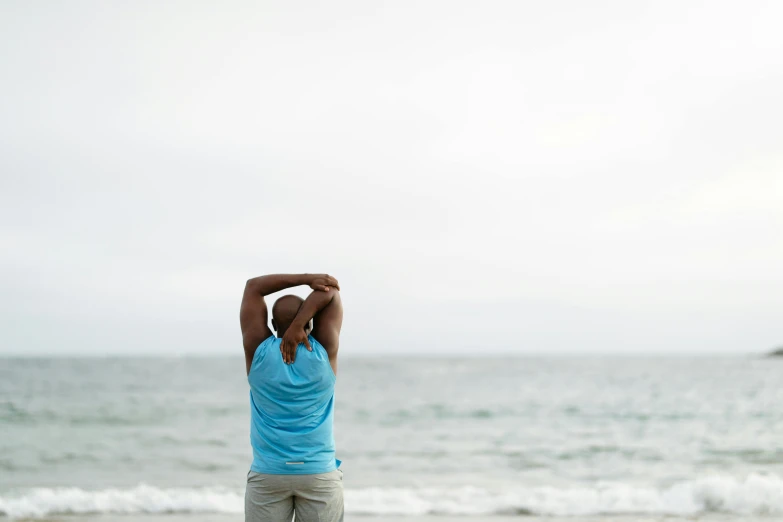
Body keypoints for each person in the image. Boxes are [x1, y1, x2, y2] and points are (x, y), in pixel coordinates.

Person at [239, 273, 344, 522]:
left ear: (273, 324)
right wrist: (300, 323)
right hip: (318, 474)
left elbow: (253, 287)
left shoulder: (257, 351)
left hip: (269, 475)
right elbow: (331, 292)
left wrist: (305, 279)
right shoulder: (324, 351)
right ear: (311, 321)